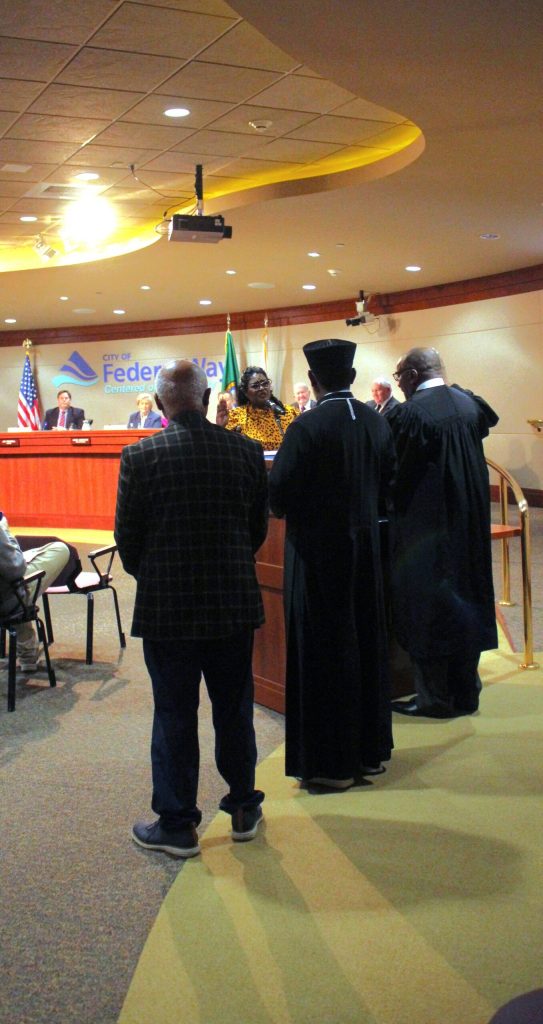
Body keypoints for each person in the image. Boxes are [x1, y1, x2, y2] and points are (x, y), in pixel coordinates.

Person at [115, 360, 268, 859]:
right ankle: (244, 807)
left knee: (174, 713)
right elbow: (255, 532)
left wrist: (157, 575)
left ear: (160, 405)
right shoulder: (245, 451)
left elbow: (127, 541)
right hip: (232, 603)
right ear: (206, 400)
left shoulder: (140, 457)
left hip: (168, 609)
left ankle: (178, 825)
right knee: (234, 707)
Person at [268, 339, 396, 788]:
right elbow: (388, 484)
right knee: (364, 643)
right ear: (354, 378)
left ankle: (331, 765)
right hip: (366, 553)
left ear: (312, 380)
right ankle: (369, 752)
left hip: (318, 555)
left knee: (324, 651)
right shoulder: (376, 423)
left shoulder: (307, 426)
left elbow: (278, 497)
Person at [388, 347, 498, 718]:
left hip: (428, 526)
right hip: (470, 525)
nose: (398, 382)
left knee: (428, 607)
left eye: (399, 375)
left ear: (413, 375)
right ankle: (467, 691)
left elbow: (395, 472)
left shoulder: (410, 414)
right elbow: (487, 423)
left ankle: (434, 697)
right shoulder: (467, 404)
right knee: (468, 596)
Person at [0, 514, 69, 672]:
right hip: (8, 602)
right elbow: (16, 569)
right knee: (60, 549)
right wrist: (4, 529)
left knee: (16, 588)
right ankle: (27, 655)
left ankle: (27, 654)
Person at [216, 366, 298, 450]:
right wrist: (220, 428)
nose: (262, 388)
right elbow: (224, 448)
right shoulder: (236, 416)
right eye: (255, 386)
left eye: (265, 383)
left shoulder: (289, 412)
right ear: (245, 392)